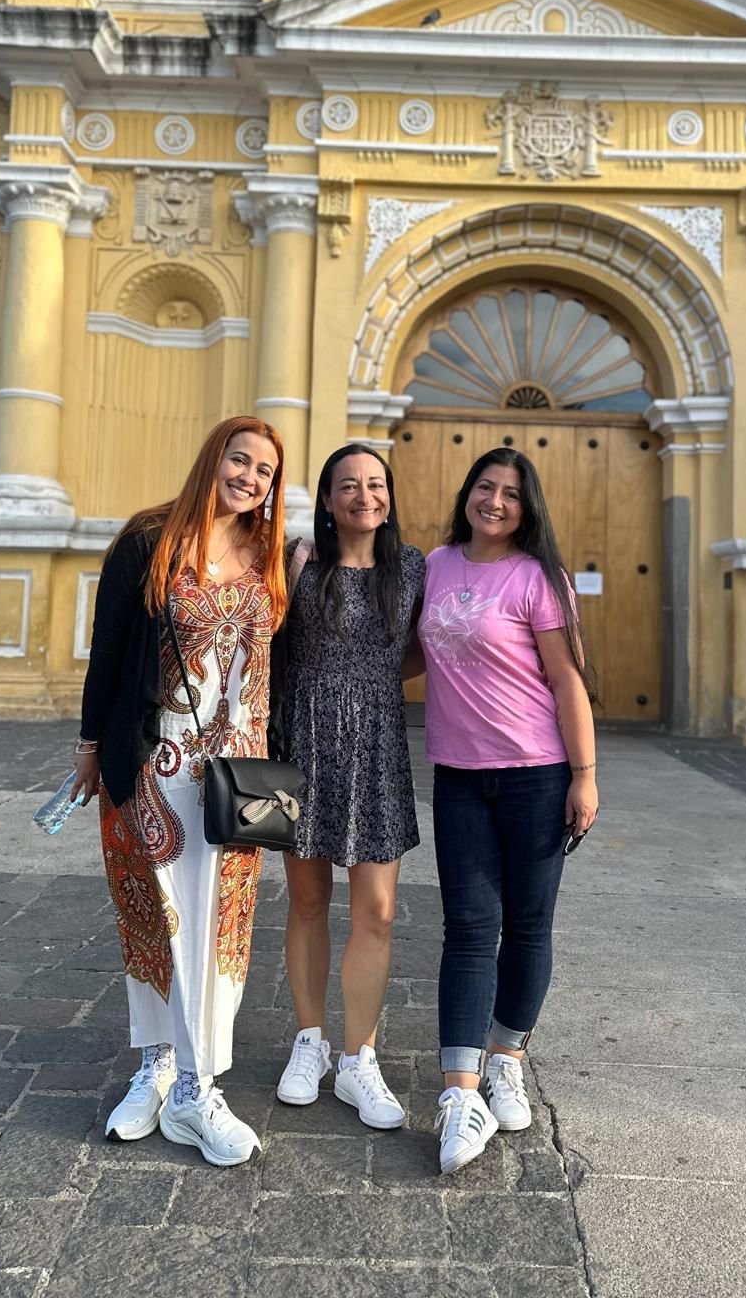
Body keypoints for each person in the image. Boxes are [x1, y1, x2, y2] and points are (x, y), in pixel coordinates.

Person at [70, 415, 287, 1167]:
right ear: (213, 458)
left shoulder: (270, 554)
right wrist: (92, 747)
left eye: (265, 470)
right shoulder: (148, 540)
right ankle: (159, 1068)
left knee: (219, 929)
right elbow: (109, 651)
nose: (251, 477)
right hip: (157, 764)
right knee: (156, 922)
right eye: (241, 459)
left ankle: (200, 1087)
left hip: (246, 775)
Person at [413, 448, 597, 1174]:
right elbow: (414, 655)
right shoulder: (434, 564)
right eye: (485, 488)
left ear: (528, 507)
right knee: (466, 927)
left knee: (526, 926)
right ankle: (459, 1092)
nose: (495, 501)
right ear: (467, 493)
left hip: (537, 776)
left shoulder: (537, 577)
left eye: (511, 494)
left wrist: (584, 777)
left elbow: (567, 681)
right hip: (458, 776)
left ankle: (506, 1055)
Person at [272, 445, 425, 1128]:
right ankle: (311, 1041)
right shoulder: (299, 562)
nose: (365, 495)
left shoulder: (414, 568)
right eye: (349, 486)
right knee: (306, 901)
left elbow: (429, 646)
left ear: (389, 494)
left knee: (379, 911)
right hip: (301, 744)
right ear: (329, 500)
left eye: (376, 484)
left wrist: (376, 683)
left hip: (379, 747)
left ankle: (359, 1060)